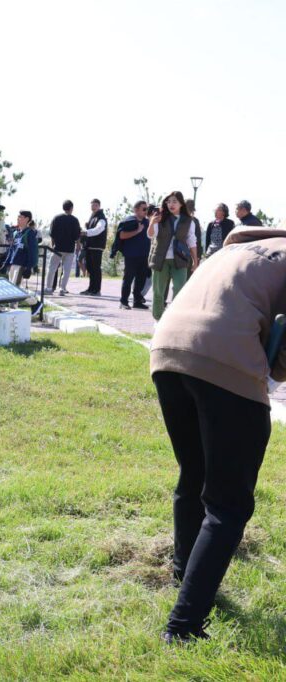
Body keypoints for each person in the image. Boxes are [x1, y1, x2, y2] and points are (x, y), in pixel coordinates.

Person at [150, 225, 286, 643]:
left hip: (166, 351)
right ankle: (183, 626)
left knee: (194, 474)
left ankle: (184, 576)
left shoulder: (243, 246)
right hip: (225, 357)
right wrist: (272, 375)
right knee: (229, 504)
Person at [147, 191, 198, 321]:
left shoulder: (189, 221)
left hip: (180, 259)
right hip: (161, 259)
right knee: (158, 291)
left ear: (181, 204)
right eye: (168, 201)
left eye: (174, 201)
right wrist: (152, 223)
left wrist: (195, 261)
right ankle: (158, 318)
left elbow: (192, 241)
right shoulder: (160, 218)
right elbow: (151, 235)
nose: (171, 204)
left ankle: (173, 318)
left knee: (180, 289)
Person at [116, 201, 152, 310]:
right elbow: (121, 235)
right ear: (136, 210)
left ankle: (137, 302)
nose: (146, 211)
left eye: (147, 209)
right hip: (131, 255)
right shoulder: (129, 221)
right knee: (128, 279)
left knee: (141, 279)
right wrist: (137, 231)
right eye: (144, 209)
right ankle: (123, 302)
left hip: (144, 255)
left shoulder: (147, 222)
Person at [44, 200, 81, 295]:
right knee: (66, 270)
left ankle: (48, 288)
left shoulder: (56, 218)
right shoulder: (75, 220)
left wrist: (53, 245)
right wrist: (78, 245)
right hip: (69, 248)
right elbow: (77, 235)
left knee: (52, 268)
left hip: (57, 248)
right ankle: (62, 288)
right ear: (71, 208)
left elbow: (52, 234)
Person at [79, 199, 107, 296]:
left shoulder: (101, 218)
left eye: (95, 205)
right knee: (90, 268)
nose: (93, 207)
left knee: (96, 268)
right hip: (89, 246)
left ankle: (97, 290)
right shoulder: (93, 217)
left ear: (99, 206)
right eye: (92, 205)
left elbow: (99, 229)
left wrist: (86, 232)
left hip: (97, 247)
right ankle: (91, 288)